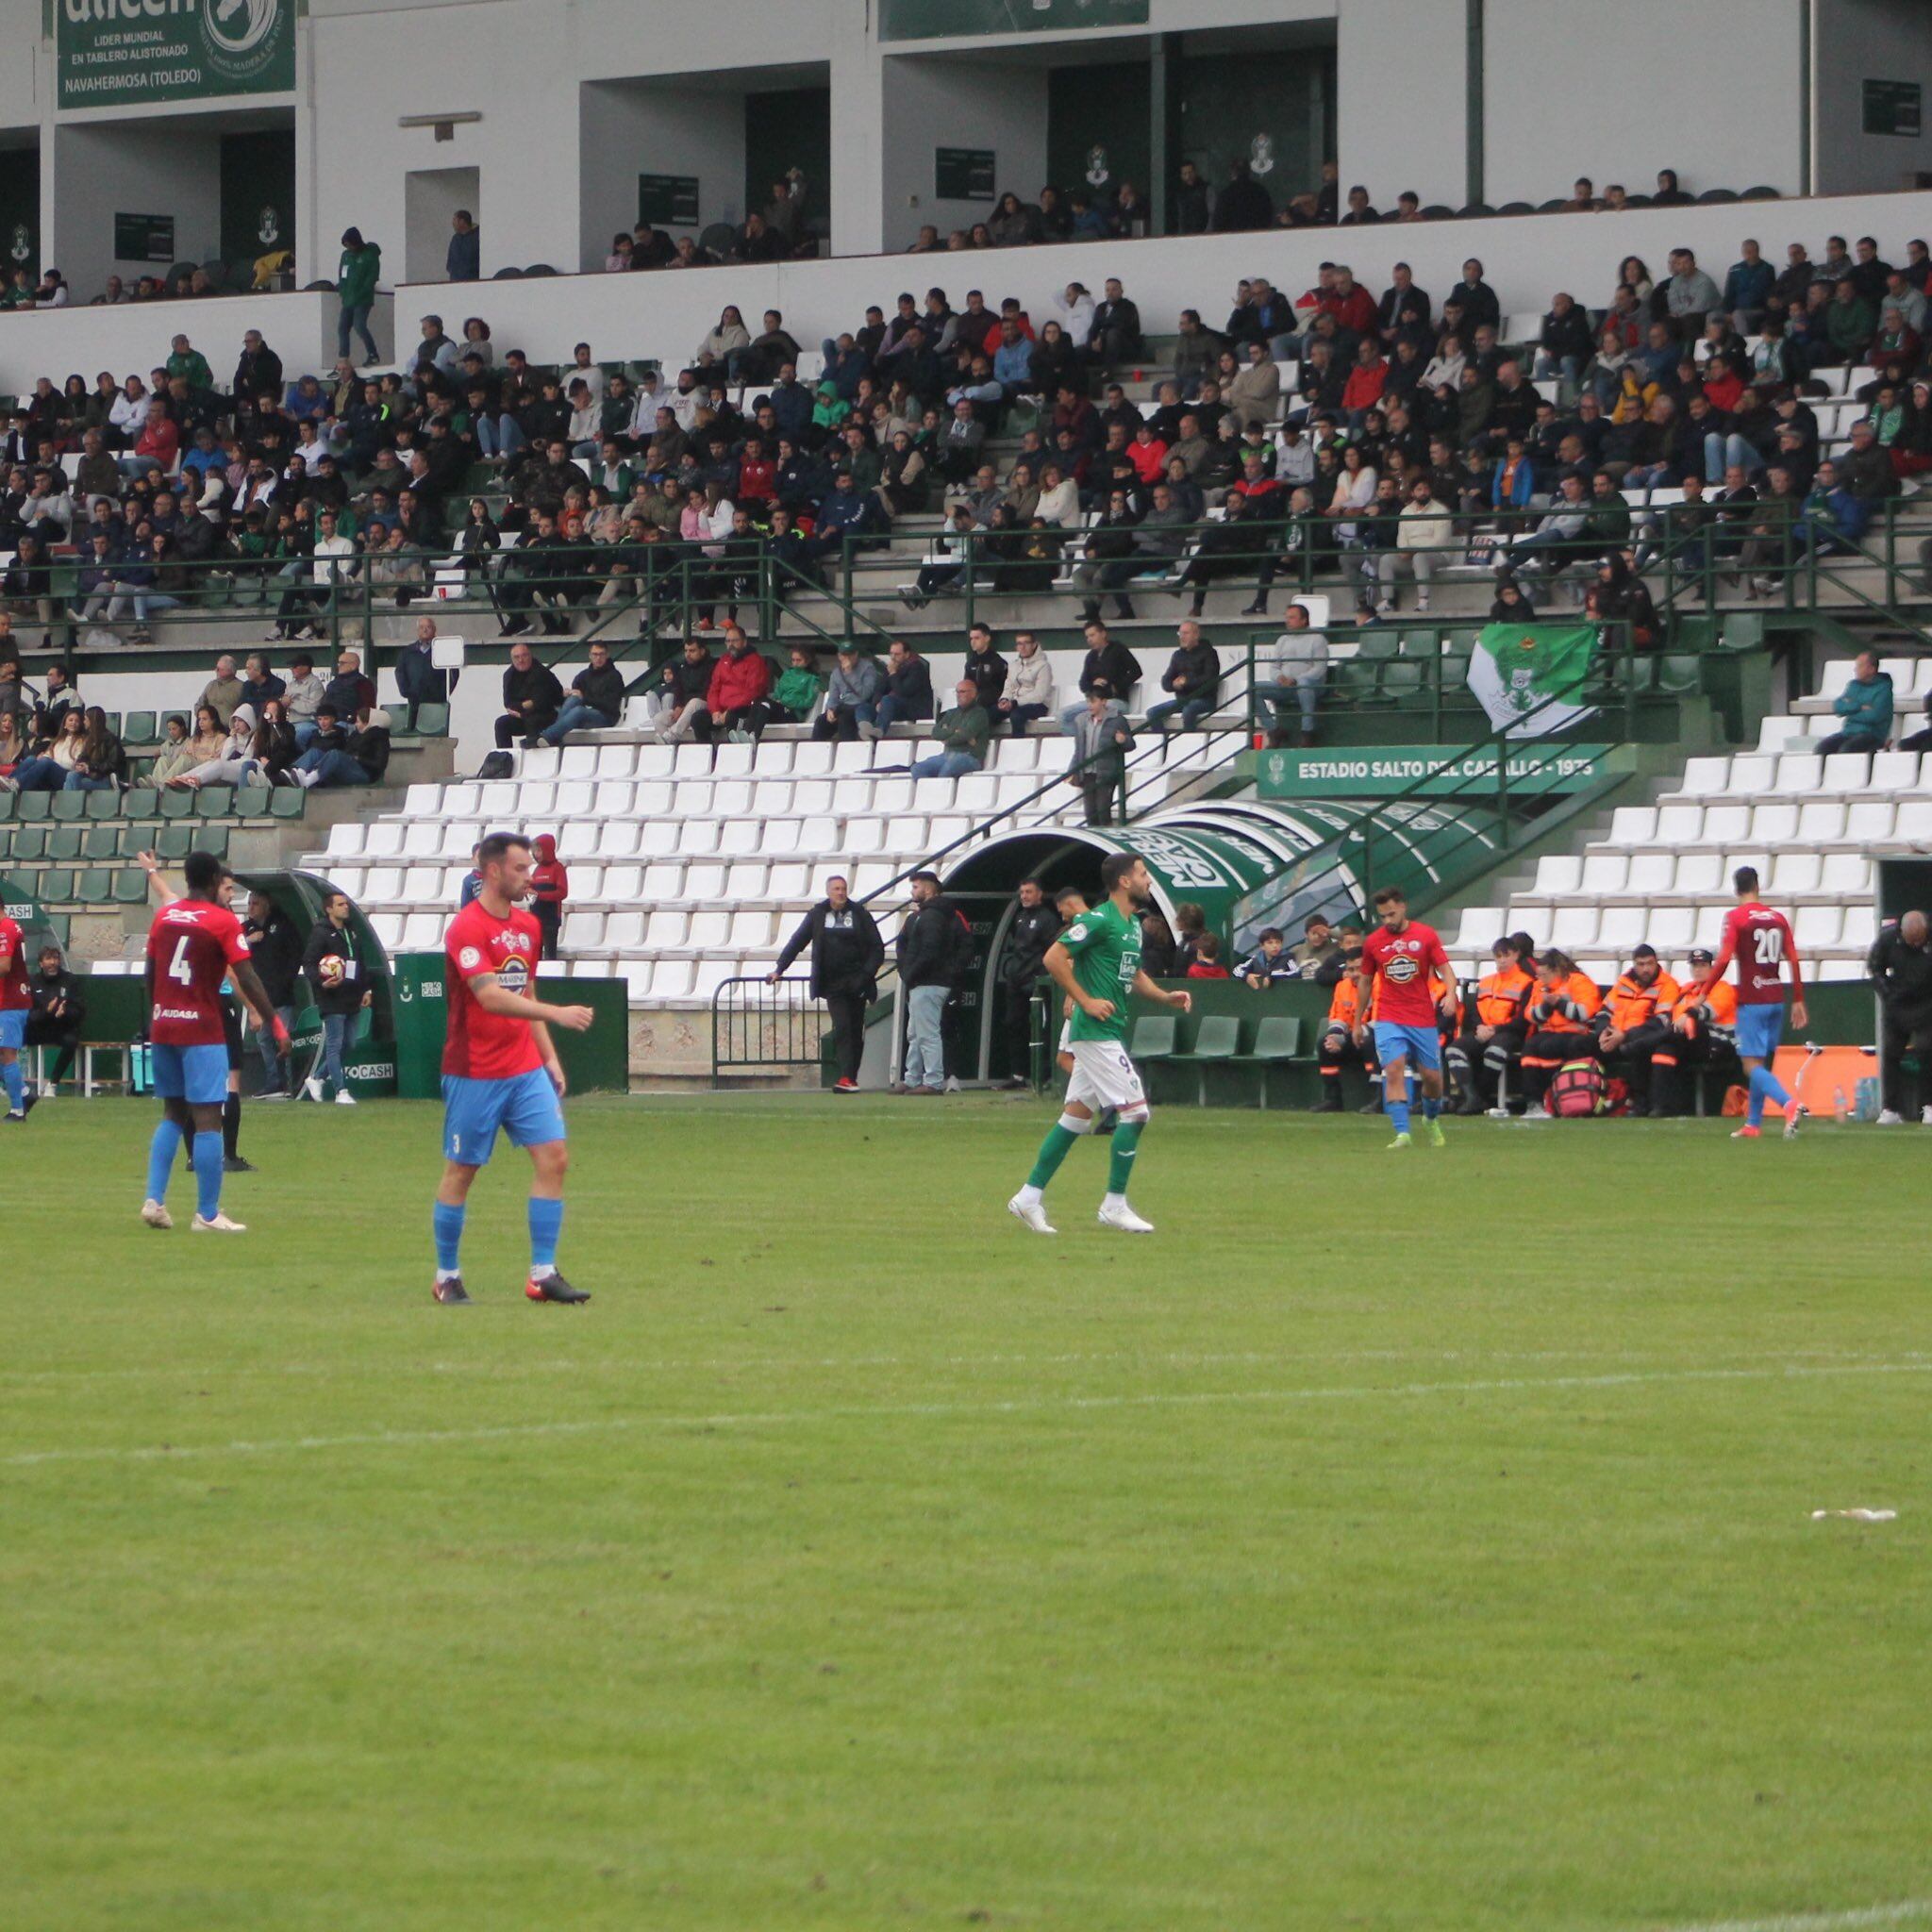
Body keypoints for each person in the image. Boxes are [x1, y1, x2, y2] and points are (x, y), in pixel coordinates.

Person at [433, 831, 596, 1305]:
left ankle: (542, 1274)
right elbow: (488, 994)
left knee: (555, 1158)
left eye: (530, 868)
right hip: (474, 1070)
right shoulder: (465, 928)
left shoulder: (528, 927)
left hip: (523, 1067)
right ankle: (446, 1275)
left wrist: (548, 1055)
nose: (530, 876)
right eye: (521, 869)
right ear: (492, 872)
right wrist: (557, 1016)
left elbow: (525, 992)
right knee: (462, 1171)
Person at [1008, 850, 1192, 1236]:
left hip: (1108, 1030)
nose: (1147, 879)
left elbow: (1133, 972)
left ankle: (1027, 1198)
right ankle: (1114, 1204)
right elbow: (1053, 958)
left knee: (1074, 1118)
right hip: (1095, 1034)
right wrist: (1085, 999)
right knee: (1136, 1113)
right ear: (1124, 881)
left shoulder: (1131, 926)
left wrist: (1163, 997)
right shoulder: (1097, 920)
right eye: (1142, 873)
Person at [138, 851, 286, 1233]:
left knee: (172, 1113)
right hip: (202, 1029)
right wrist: (275, 1022)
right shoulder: (221, 921)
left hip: (164, 1025)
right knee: (207, 1119)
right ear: (211, 880)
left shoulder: (164, 916)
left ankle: (154, 1199)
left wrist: (158, 1015)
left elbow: (150, 973)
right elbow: (247, 976)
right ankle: (206, 1214)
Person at [1695, 866, 1807, 1141]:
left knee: (1750, 1066)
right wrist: (1799, 999)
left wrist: (1704, 992)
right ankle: (1753, 1123)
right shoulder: (1778, 918)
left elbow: (1722, 959)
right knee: (1760, 1065)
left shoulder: (1736, 917)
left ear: (1736, 889)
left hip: (1752, 1001)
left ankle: (1788, 1104)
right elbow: (1793, 958)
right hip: (1776, 999)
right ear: (1758, 885)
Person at [1356, 886, 1455, 1148]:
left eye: (1390, 914)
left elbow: (1446, 970)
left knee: (1432, 1078)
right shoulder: (1374, 942)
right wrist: (1356, 1021)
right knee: (1394, 1069)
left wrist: (1452, 995)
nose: (1387, 921)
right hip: (1388, 1015)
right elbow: (1365, 982)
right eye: (1382, 916)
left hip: (1422, 1018)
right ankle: (1402, 1133)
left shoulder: (1425, 935)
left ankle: (1430, 1118)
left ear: (1402, 907)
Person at [770, 874, 886, 1093]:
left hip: (857, 982)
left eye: (843, 889)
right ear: (828, 892)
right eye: (836, 889)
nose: (840, 893)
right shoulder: (817, 915)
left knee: (854, 1030)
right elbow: (797, 941)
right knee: (842, 1028)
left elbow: (876, 948)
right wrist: (779, 969)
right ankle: (846, 1077)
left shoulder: (860, 914)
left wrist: (866, 975)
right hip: (833, 984)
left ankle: (850, 1077)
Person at [894, 871, 970, 1095]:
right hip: (924, 981)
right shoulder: (922, 916)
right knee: (916, 1033)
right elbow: (903, 945)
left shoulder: (932, 917)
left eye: (916, 887)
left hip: (929, 981)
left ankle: (933, 1080)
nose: (912, 891)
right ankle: (912, 1077)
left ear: (927, 889)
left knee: (927, 1033)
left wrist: (910, 973)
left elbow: (929, 950)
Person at [1445, 935, 1534, 1114]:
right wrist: (1479, 1027)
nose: (1502, 961)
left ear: (1516, 955)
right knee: (1453, 1050)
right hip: (1485, 1030)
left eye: (1506, 956)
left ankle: (1480, 1096)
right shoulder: (1486, 981)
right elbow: (1474, 1011)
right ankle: (1471, 1097)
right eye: (1498, 956)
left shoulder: (1527, 983)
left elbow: (1522, 1021)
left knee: (1495, 1051)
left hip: (1510, 1033)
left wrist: (1495, 1029)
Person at [1651, 946, 1737, 1119]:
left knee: (1691, 1024)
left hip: (1718, 1044)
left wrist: (1685, 1018)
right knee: (1664, 1050)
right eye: (1695, 966)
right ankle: (1662, 1106)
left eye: (1703, 965)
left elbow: (1707, 1013)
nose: (1698, 970)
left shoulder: (1723, 988)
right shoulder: (1686, 990)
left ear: (1712, 968)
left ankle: (1640, 1044)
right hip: (1687, 1041)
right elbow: (1675, 1017)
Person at [301, 889, 370, 1105]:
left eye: (346, 904)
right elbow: (309, 963)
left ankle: (316, 1077)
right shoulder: (321, 933)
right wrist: (322, 982)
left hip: (352, 995)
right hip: (331, 997)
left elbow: (361, 962)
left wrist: (366, 989)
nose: (346, 907)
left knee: (349, 1044)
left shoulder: (352, 932)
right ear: (329, 909)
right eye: (340, 904)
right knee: (334, 1043)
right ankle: (341, 1091)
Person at [1597, 945, 1682, 1118]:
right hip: (1614, 1036)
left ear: (1656, 963)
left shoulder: (1667, 985)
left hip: (1639, 1038)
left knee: (1639, 1046)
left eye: (1649, 964)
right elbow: (1604, 1011)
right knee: (1579, 1044)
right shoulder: (1623, 983)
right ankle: (1582, 1099)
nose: (1645, 969)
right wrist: (1603, 1032)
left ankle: (1640, 1102)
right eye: (1641, 964)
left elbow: (1661, 1022)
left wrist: (1625, 1035)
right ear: (1634, 965)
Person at [1866, 909, 1932, 1124]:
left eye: (1919, 940)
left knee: (1926, 1051)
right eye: (1910, 940)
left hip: (1927, 1005)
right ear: (1901, 932)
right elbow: (1875, 968)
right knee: (1891, 1053)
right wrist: (1887, 994)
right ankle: (1891, 1109)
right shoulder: (1887, 939)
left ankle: (1929, 1106)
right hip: (1898, 1005)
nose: (1914, 945)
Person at [998, 878, 1063, 1087]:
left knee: (1042, 1027)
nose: (1024, 896)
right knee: (1014, 1025)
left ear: (1040, 894)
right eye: (1022, 892)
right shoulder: (1019, 918)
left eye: (1029, 892)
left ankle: (1042, 1075)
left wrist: (1041, 976)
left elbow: (1052, 951)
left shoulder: (1048, 919)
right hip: (1016, 982)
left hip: (1036, 982)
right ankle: (1018, 1074)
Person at [241, 890, 303, 1098]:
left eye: (255, 903)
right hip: (259, 997)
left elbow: (295, 955)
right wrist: (249, 941)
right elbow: (232, 953)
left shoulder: (282, 925)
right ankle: (273, 1082)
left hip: (281, 995)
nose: (251, 908)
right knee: (264, 1040)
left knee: (284, 1038)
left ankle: (290, 1084)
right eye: (249, 903)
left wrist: (286, 982)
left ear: (267, 904)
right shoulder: (245, 929)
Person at [1257, 601, 1329, 746]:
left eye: (1292, 617)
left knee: (1304, 685)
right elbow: (1274, 667)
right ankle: (1273, 729)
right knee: (1253, 689)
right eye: (1287, 617)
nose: (1287, 621)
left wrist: (1296, 680)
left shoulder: (1317, 639)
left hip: (1311, 685)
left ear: (1304, 620)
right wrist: (1280, 677)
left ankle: (1307, 731)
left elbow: (1319, 668)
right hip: (1285, 686)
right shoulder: (1282, 640)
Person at [1067, 681, 1133, 825]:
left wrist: (1123, 740)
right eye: (1088, 702)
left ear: (1103, 701)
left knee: (1103, 811)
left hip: (1106, 773)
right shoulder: (1081, 721)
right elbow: (1079, 749)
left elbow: (1131, 744)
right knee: (1090, 813)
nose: (1090, 705)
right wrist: (1073, 770)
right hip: (1087, 773)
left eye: (1093, 701)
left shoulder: (1117, 720)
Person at [541, 640, 625, 744]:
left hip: (606, 717)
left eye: (601, 654)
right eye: (595, 654)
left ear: (607, 655)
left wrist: (585, 698)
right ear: (590, 656)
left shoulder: (614, 676)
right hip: (584, 716)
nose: (598, 658)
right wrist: (566, 695)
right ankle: (552, 737)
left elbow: (610, 705)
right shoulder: (583, 675)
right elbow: (576, 697)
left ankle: (548, 737)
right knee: (573, 700)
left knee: (579, 711)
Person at [1144, 620, 1221, 733]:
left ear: (1196, 635)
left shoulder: (1209, 653)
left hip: (1204, 700)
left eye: (1186, 633)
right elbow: (1166, 681)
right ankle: (1164, 745)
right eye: (1180, 634)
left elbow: (1210, 678)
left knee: (1188, 710)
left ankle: (1188, 743)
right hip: (1183, 700)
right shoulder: (1178, 655)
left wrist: (1186, 683)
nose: (1182, 637)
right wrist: (1174, 685)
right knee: (1152, 713)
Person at [1815, 649, 1893, 757]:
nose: (1856, 669)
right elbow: (1838, 707)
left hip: (1872, 735)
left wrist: (1850, 711)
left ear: (1871, 669)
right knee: (1822, 748)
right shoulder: (1853, 685)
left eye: (1860, 666)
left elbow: (1874, 716)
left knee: (1847, 750)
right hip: (1848, 733)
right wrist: (1859, 707)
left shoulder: (1884, 689)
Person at [494, 640, 565, 748]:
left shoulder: (542, 673)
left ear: (530, 656)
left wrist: (522, 710)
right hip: (522, 716)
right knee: (501, 723)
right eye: (516, 657)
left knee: (533, 720)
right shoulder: (509, 675)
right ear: (512, 659)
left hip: (546, 715)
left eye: (524, 656)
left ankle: (534, 756)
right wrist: (524, 706)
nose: (521, 660)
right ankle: (504, 758)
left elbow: (541, 703)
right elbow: (508, 704)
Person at [0, 907, 29, 1121]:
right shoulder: (10, 925)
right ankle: (25, 1093)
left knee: (7, 1053)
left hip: (10, 1001)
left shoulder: (5, 927)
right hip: (8, 1000)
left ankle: (18, 1110)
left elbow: (4, 966)